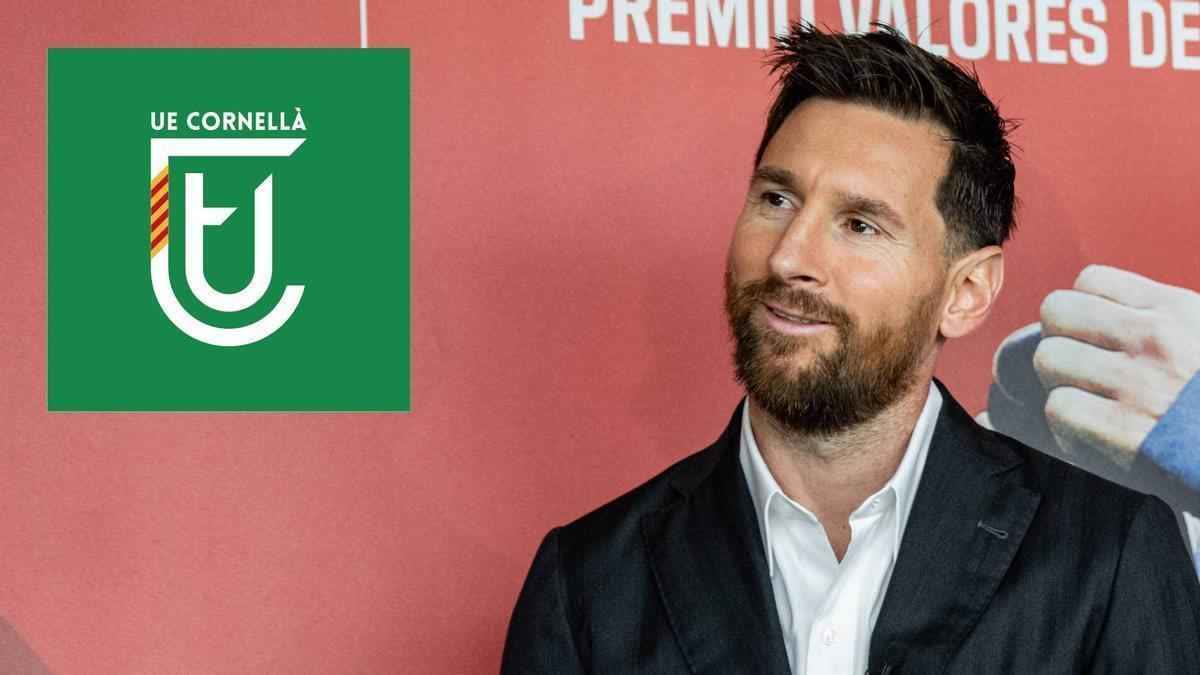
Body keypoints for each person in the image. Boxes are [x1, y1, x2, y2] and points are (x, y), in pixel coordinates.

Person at [501, 23, 1200, 674]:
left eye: (861, 225)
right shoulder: (588, 583)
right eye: (776, 200)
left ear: (965, 292)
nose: (789, 258)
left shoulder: (1108, 553)